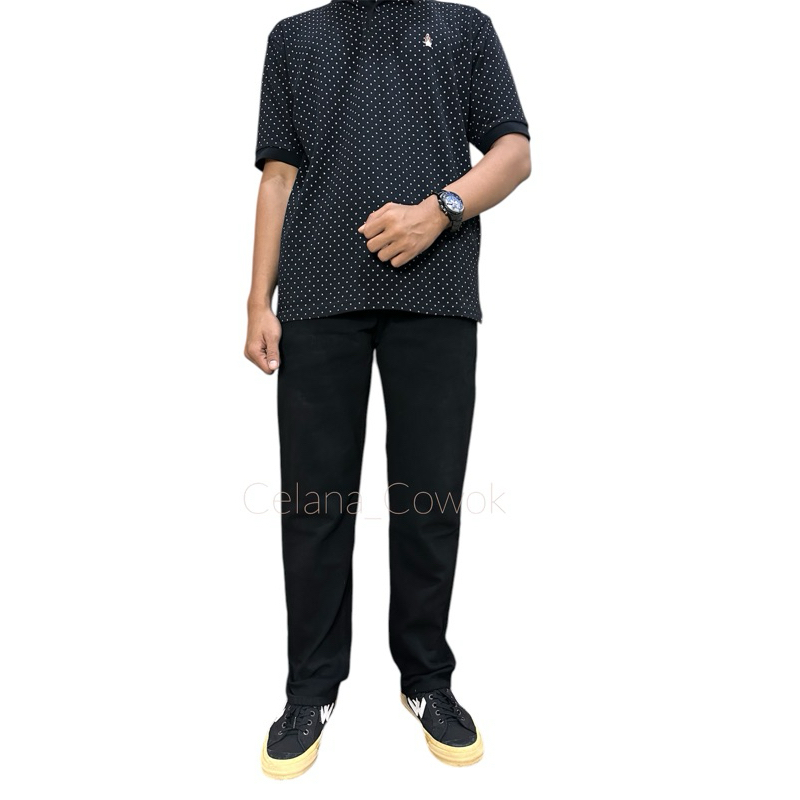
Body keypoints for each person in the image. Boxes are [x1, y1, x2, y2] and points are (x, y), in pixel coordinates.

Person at [245, 0, 530, 779]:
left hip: (435, 293)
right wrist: (257, 301)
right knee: (313, 502)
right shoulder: (294, 38)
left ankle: (427, 679)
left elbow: (513, 151)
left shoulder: (463, 27)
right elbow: (278, 176)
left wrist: (442, 210)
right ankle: (310, 690)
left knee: (430, 498)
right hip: (316, 298)